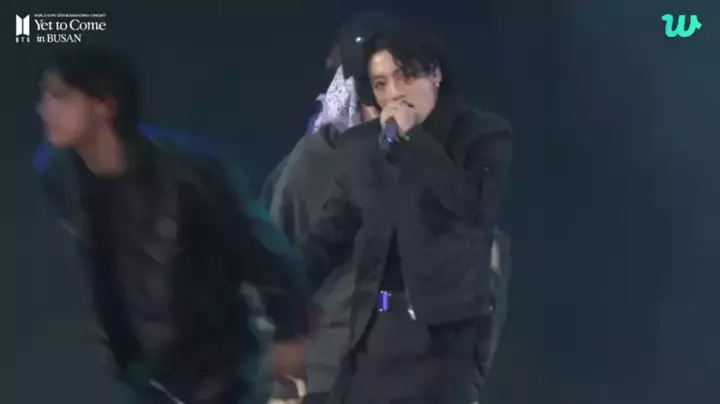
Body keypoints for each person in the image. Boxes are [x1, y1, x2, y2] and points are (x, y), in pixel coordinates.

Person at [34, 47, 310, 404]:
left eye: (60, 97)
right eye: (45, 97)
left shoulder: (189, 171)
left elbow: (260, 249)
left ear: (104, 104)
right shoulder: (61, 176)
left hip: (219, 373)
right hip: (145, 377)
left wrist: (289, 331)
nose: (44, 109)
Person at [299, 21, 513, 404]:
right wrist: (278, 283)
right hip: (375, 329)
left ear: (435, 73)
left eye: (405, 76)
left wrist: (415, 139)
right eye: (381, 84)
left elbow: (475, 210)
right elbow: (329, 237)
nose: (394, 93)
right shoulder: (361, 149)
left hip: (441, 344)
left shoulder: (481, 135)